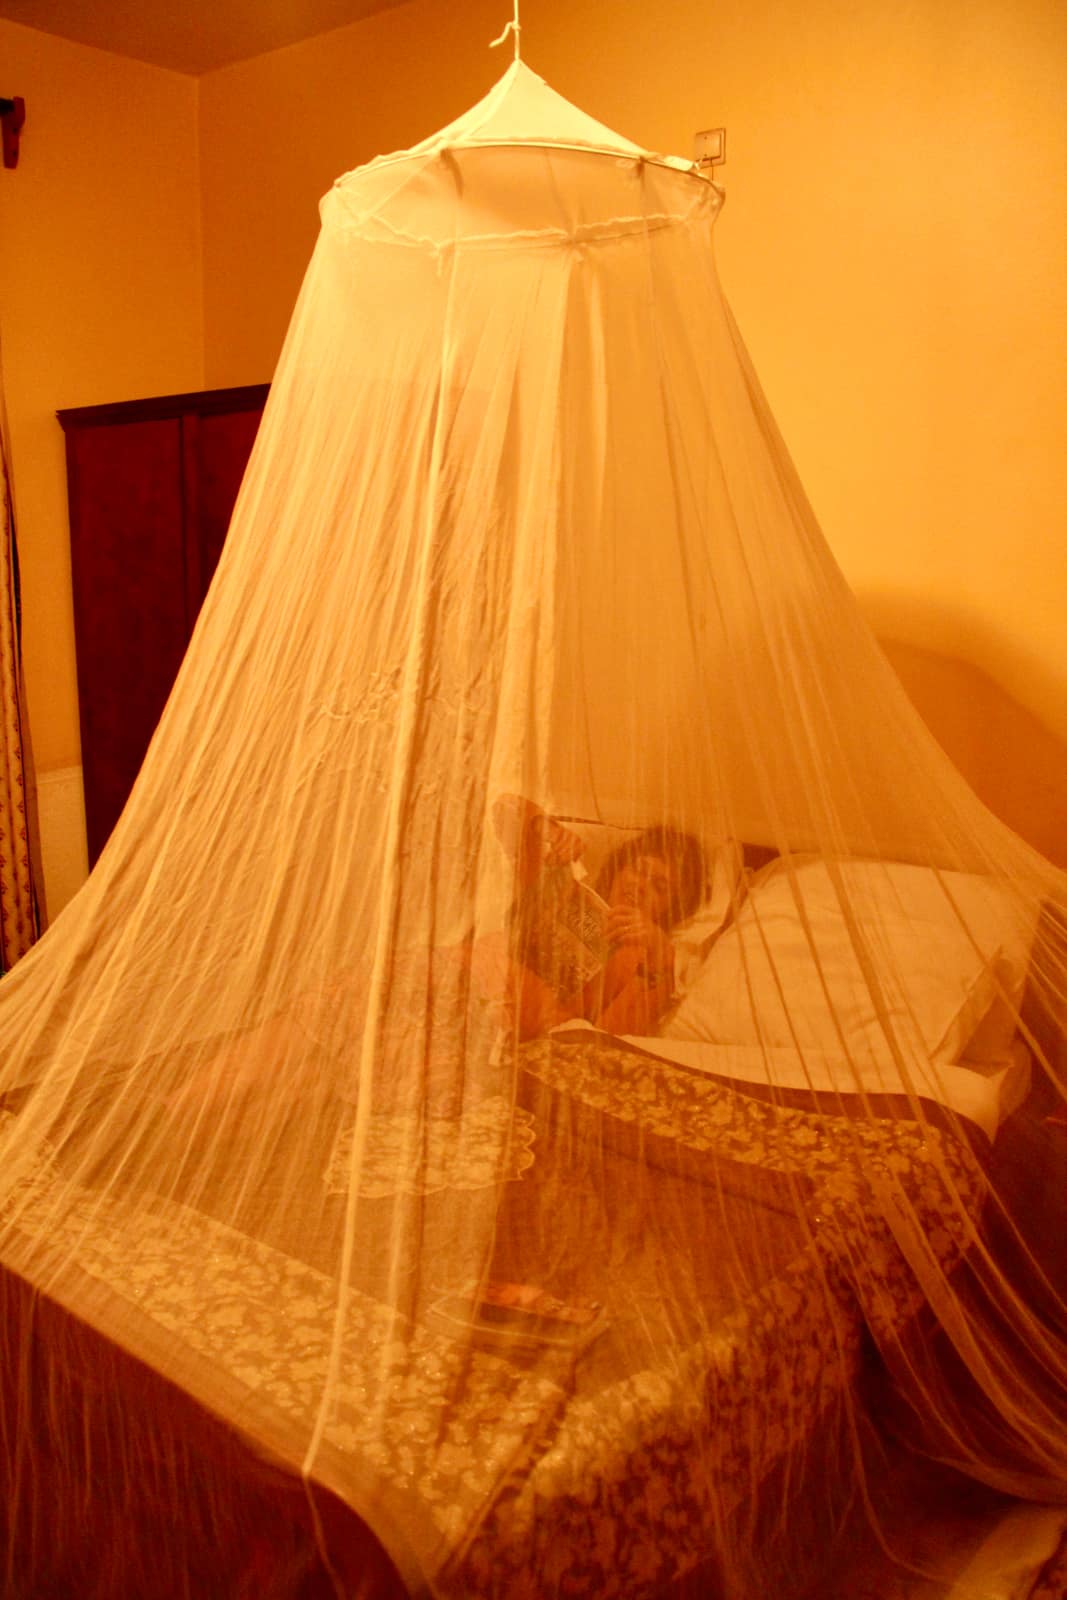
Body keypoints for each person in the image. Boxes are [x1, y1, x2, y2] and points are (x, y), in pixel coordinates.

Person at [491, 797, 705, 1040]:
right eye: (638, 870)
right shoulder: (562, 885)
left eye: (659, 887)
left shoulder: (647, 964)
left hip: (511, 1030)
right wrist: (548, 828)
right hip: (466, 976)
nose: (641, 886)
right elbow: (503, 808)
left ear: (670, 909)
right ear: (619, 869)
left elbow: (609, 1043)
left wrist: (660, 956)